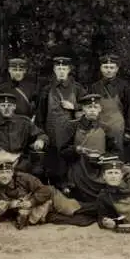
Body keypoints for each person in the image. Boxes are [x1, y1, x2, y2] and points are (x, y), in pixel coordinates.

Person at [60, 94, 122, 203]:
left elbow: (115, 151)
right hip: (79, 167)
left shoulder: (105, 128)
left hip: (99, 168)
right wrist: (76, 150)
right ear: (83, 109)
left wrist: (104, 158)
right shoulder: (72, 126)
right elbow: (62, 151)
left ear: (100, 109)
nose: (92, 110)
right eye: (89, 107)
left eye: (95, 107)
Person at [36, 56, 87, 187]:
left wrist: (74, 107)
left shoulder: (77, 88)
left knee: (71, 163)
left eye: (64, 68)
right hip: (52, 134)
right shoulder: (47, 89)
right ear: (54, 70)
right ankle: (56, 191)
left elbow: (90, 109)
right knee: (54, 166)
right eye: (58, 68)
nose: (61, 71)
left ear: (69, 69)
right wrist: (41, 134)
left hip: (72, 135)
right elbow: (40, 114)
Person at [0, 152, 54, 230]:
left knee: (70, 208)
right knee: (58, 218)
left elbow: (46, 190)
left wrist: (31, 202)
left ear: (12, 173)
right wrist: (0, 211)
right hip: (37, 212)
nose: (5, 176)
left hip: (51, 198)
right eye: (1, 172)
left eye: (8, 172)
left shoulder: (23, 178)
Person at [90, 53, 130, 150]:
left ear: (117, 69)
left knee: (117, 158)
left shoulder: (124, 86)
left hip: (118, 129)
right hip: (99, 129)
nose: (108, 70)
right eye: (105, 67)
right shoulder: (95, 87)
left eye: (112, 67)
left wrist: (129, 131)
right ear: (101, 68)